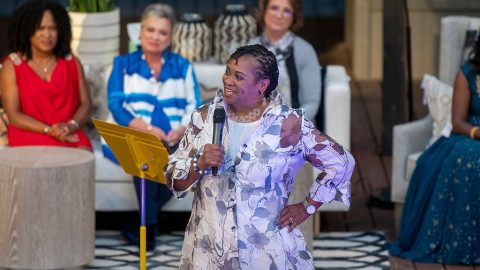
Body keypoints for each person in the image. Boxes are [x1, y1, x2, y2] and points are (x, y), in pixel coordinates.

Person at [165, 44, 354, 269]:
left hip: (264, 252)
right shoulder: (204, 117)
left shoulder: (289, 125)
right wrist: (199, 163)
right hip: (209, 248)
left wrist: (306, 207)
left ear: (262, 85)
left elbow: (341, 161)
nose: (227, 80)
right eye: (227, 72)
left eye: (239, 76)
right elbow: (172, 178)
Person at [107, 3, 202, 251]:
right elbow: (116, 106)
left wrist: (181, 130)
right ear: (140, 32)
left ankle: (139, 225)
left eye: (162, 32)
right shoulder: (123, 64)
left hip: (177, 140)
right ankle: (149, 225)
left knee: (173, 154)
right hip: (134, 137)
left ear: (170, 38)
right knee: (148, 149)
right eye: (150, 30)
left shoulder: (183, 66)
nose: (155, 37)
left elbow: (196, 107)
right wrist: (148, 129)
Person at [387, 35, 480, 264]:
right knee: (469, 155)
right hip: (469, 135)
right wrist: (478, 133)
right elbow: (458, 122)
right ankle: (461, 245)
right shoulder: (468, 73)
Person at [0, 0, 92, 151]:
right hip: (30, 132)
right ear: (27, 30)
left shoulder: (72, 62)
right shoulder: (12, 65)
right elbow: (14, 115)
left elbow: (86, 103)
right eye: (40, 28)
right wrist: (49, 130)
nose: (47, 35)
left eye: (52, 28)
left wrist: (71, 125)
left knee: (84, 158)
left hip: (68, 132)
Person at [249, 0, 321, 125]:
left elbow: (311, 103)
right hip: (256, 127)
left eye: (287, 11)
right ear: (264, 11)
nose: (279, 15)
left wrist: (287, 123)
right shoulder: (249, 50)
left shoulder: (305, 50)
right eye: (274, 8)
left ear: (294, 17)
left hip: (296, 128)